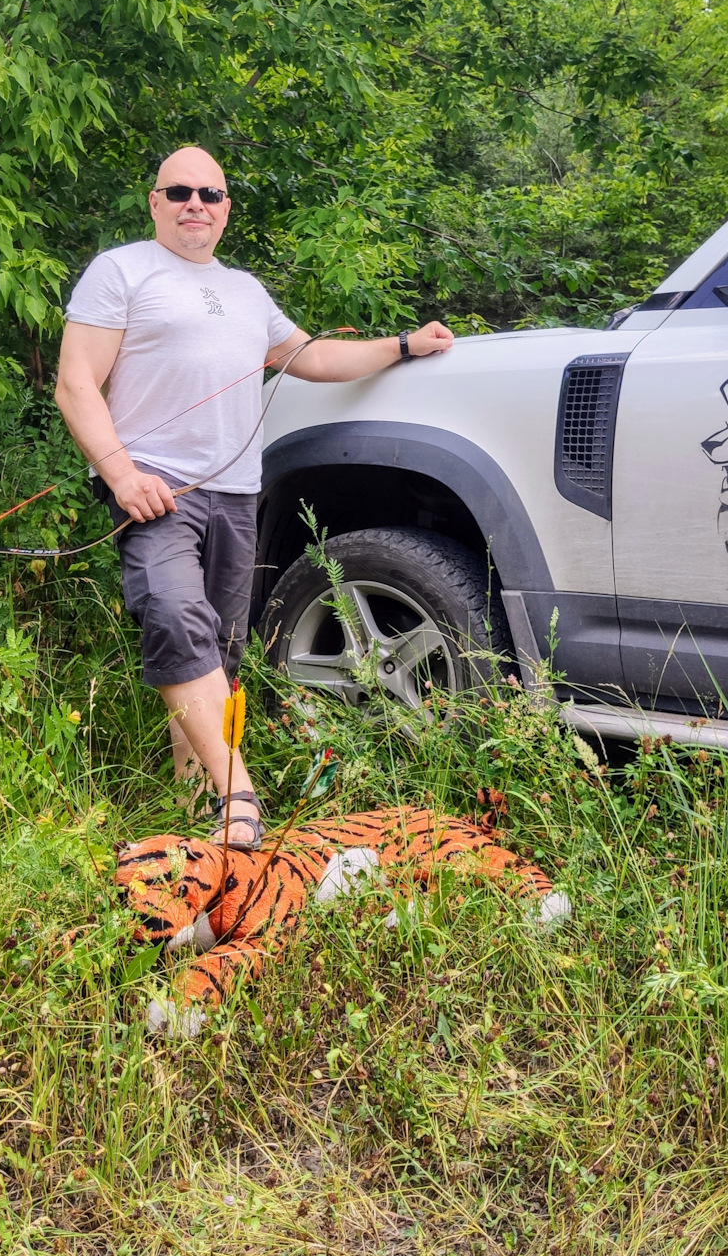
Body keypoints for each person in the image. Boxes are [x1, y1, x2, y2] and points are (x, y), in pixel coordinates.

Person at [55, 145, 454, 848]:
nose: (195, 205)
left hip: (238, 496)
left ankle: (194, 808)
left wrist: (402, 344)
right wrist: (121, 474)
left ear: (227, 207)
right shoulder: (121, 271)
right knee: (177, 619)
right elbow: (75, 384)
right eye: (179, 191)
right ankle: (241, 803)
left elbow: (314, 356)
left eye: (210, 193)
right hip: (158, 490)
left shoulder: (244, 289)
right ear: (155, 201)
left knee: (222, 656)